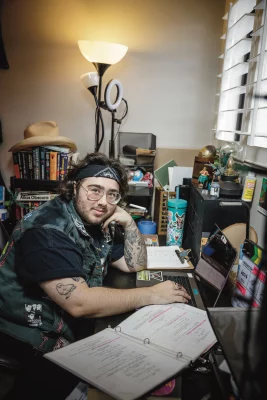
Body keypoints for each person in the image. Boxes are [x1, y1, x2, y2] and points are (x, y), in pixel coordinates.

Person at [0, 152, 190, 399]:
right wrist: (152, 294)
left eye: (112, 194)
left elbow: (135, 264)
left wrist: (129, 224)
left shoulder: (97, 219)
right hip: (27, 328)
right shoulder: (47, 230)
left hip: (65, 319)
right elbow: (80, 303)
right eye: (94, 190)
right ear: (74, 187)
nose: (103, 201)